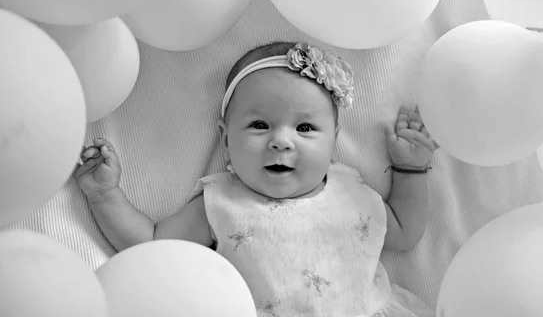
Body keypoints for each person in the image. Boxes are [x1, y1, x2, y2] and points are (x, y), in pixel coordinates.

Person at [75, 42, 438, 316]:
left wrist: (409, 169)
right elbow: (153, 244)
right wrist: (105, 195)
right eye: (259, 125)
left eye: (306, 128)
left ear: (335, 139)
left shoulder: (351, 188)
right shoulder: (221, 203)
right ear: (226, 139)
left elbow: (404, 232)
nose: (281, 140)